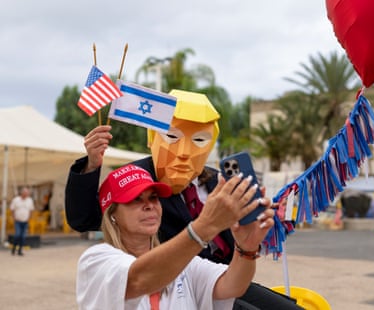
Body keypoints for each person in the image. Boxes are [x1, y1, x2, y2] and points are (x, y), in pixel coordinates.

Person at [66, 89, 303, 309]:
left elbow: (233, 277)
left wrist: (252, 236)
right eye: (172, 136)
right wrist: (91, 164)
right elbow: (84, 218)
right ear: (153, 139)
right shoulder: (136, 178)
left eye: (199, 140)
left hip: (214, 277)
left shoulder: (219, 181)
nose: (183, 153)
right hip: (169, 278)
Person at [77, 164, 274, 309]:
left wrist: (246, 248)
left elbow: (233, 285)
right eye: (135, 200)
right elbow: (139, 279)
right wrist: (206, 225)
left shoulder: (181, 262)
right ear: (112, 215)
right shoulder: (96, 260)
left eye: (153, 197)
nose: (149, 205)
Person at [10, 187, 35, 256]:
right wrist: (14, 217)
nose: (26, 194)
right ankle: (14, 248)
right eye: (25, 193)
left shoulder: (30, 200)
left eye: (27, 193)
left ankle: (20, 250)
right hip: (18, 221)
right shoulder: (16, 200)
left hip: (25, 221)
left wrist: (29, 218)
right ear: (22, 193)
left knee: (23, 236)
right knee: (17, 235)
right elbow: (12, 209)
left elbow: (31, 210)